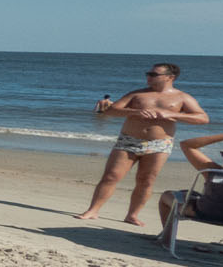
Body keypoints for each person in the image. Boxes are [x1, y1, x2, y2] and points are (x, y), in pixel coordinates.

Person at [76, 62, 209, 225]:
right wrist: (135, 112)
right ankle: (93, 210)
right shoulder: (137, 94)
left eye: (154, 75)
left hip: (159, 143)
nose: (148, 77)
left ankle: (132, 214)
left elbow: (202, 118)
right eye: (148, 74)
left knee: (146, 180)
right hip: (129, 140)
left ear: (170, 77)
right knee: (111, 175)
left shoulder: (182, 97)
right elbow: (111, 111)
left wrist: (171, 114)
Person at [157, 131, 223, 256]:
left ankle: (167, 239)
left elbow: (187, 145)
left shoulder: (215, 172)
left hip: (206, 212)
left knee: (167, 195)